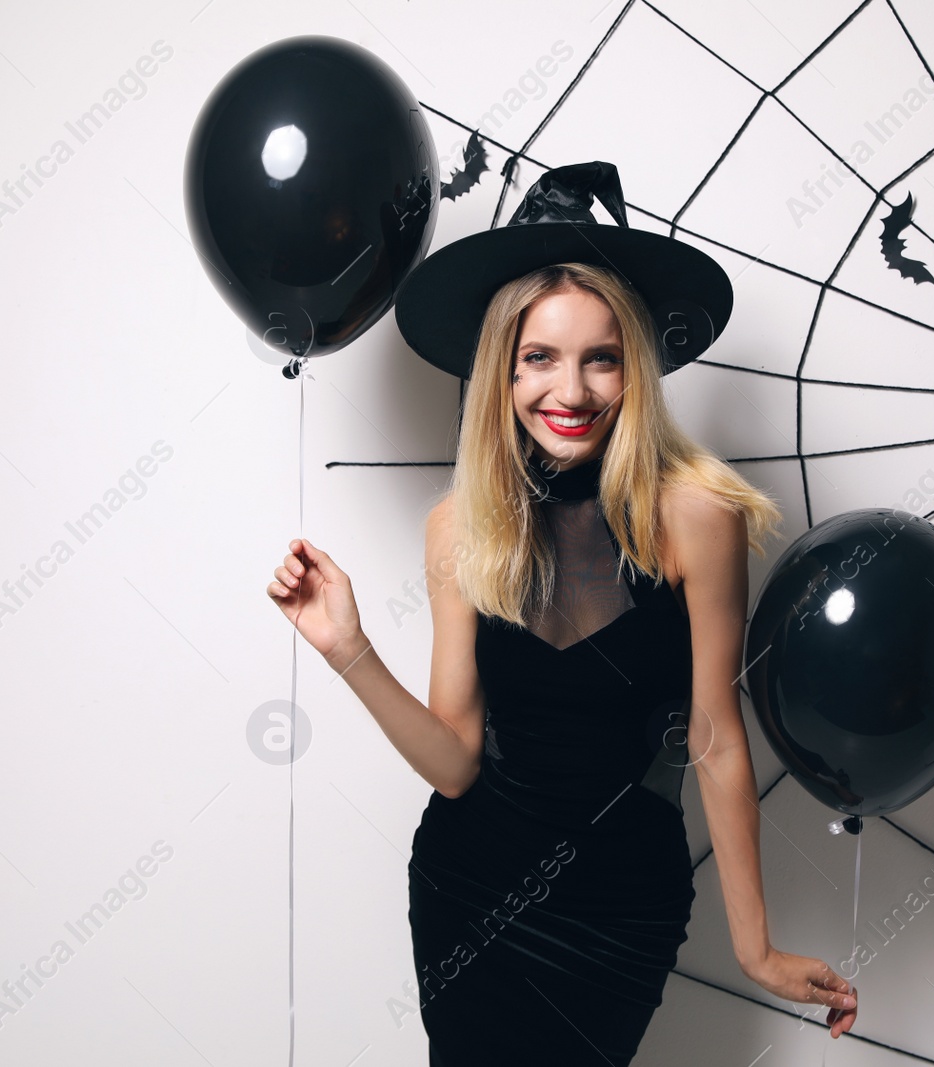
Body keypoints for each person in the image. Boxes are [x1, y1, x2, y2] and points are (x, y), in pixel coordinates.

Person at [267, 162, 857, 1064]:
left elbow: (717, 737)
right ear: (502, 372)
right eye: (539, 357)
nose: (570, 391)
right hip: (472, 893)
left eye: (602, 358)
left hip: (621, 911)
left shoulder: (700, 518)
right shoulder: (459, 528)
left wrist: (757, 948)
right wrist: (349, 648)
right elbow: (456, 762)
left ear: (638, 370)